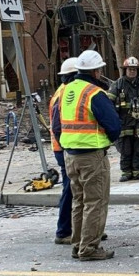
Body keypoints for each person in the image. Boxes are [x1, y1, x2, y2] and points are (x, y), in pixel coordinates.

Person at [53, 50, 121, 261]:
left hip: (70, 155)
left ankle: (77, 244)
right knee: (95, 202)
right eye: (99, 69)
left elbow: (57, 125)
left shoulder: (64, 91)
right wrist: (107, 141)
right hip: (92, 155)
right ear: (95, 71)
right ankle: (89, 248)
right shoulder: (93, 93)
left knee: (79, 201)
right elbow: (114, 125)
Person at [107, 57, 139, 182]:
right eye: (130, 69)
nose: (132, 71)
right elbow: (109, 103)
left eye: (134, 69)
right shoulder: (117, 85)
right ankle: (126, 172)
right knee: (125, 149)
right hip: (124, 123)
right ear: (125, 70)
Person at [50, 57, 77, 245]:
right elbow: (58, 127)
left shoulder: (62, 92)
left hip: (63, 147)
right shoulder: (64, 94)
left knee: (73, 188)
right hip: (64, 148)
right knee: (70, 188)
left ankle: (77, 228)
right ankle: (64, 230)